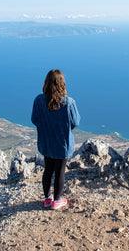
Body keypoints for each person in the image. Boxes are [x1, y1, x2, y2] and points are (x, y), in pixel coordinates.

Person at [31, 69, 80, 210]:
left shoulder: (38, 100)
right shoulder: (69, 102)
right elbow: (75, 122)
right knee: (60, 171)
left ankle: (47, 199)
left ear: (46, 82)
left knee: (48, 170)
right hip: (62, 143)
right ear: (62, 83)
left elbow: (34, 119)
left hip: (46, 142)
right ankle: (57, 200)